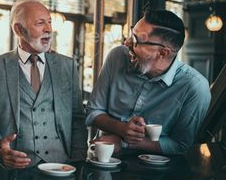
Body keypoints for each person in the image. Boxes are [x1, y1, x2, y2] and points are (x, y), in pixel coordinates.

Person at [0, 0, 87, 170]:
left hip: (61, 167)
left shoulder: (67, 65)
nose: (49, 29)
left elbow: (78, 117)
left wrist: (78, 161)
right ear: (19, 29)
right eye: (40, 23)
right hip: (11, 169)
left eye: (49, 22)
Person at [86, 9, 211, 155]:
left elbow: (180, 145)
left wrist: (125, 142)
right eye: (132, 34)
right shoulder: (117, 56)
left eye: (136, 40)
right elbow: (93, 111)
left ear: (163, 53)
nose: (127, 43)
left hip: (157, 171)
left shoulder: (195, 87)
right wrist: (121, 128)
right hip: (101, 157)